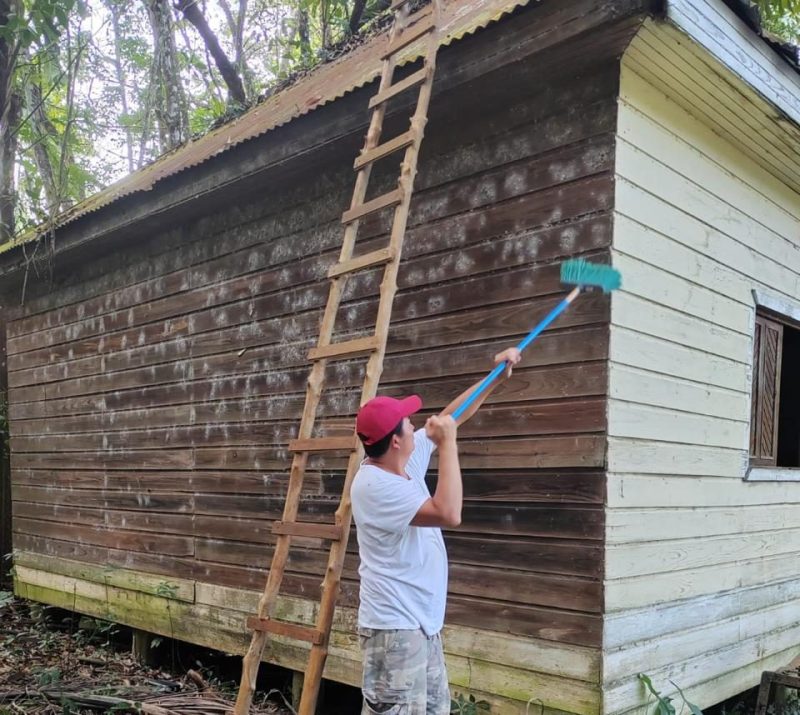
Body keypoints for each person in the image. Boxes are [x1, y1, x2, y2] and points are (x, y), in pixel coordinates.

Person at [350, 346, 522, 714]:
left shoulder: (400, 459)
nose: (415, 423)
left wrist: (494, 378)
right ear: (395, 439)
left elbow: (451, 416)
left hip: (421, 623)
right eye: (407, 422)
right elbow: (448, 512)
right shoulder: (374, 486)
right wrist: (449, 445)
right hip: (394, 629)